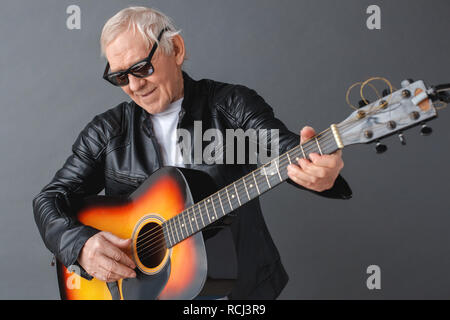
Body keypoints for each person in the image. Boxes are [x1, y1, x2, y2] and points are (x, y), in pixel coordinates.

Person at [33, 6, 351, 299]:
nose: (134, 85)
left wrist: (318, 171)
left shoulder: (232, 106)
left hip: (236, 290)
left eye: (141, 68)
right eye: (120, 77)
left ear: (177, 49)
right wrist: (80, 246)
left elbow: (281, 148)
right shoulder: (106, 132)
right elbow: (50, 198)